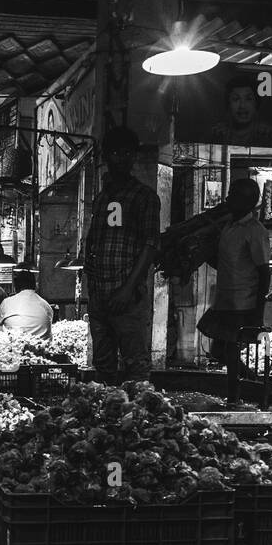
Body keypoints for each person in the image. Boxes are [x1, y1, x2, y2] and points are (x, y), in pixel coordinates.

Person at [82, 125, 160, 384]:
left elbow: (150, 246)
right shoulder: (102, 198)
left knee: (135, 364)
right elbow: (94, 242)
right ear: (106, 156)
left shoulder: (144, 197)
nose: (121, 158)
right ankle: (107, 415)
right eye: (115, 152)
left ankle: (139, 418)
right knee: (102, 364)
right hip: (99, 296)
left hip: (128, 298)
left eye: (127, 153)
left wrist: (127, 289)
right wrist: (90, 286)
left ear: (134, 157)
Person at [197, 179, 271, 404]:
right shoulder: (228, 226)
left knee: (229, 351)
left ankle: (236, 396)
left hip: (242, 301)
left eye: (234, 195)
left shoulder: (255, 231)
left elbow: (264, 272)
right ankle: (257, 385)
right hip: (224, 299)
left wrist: (258, 311)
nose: (228, 199)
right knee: (219, 351)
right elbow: (227, 263)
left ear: (248, 202)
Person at [210, 74, 272, 147]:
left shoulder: (269, 136)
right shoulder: (216, 135)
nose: (242, 106)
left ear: (256, 103)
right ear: (228, 104)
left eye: (248, 99)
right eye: (236, 99)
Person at [0, 269, 53, 339]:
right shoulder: (46, 305)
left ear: (15, 287)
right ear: (35, 286)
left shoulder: (6, 302)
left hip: (12, 346)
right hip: (41, 347)